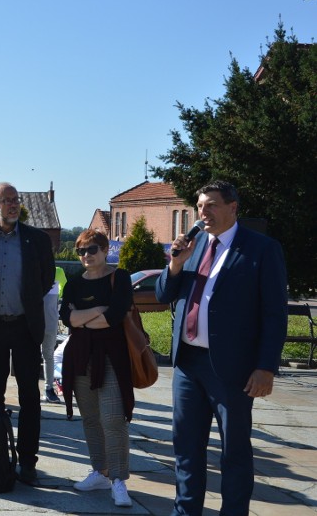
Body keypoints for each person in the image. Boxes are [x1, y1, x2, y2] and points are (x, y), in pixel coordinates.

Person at [155, 180, 287, 516]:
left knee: (234, 452)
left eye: (211, 205)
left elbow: (274, 314)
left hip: (232, 369)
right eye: (199, 206)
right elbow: (162, 295)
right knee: (186, 448)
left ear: (233, 208)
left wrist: (266, 367)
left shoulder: (260, 249)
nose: (203, 213)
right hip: (187, 364)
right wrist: (175, 265)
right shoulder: (193, 247)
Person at [0, 182, 55, 485]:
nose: (13, 205)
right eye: (6, 201)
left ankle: (28, 462)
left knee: (30, 395)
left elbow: (44, 281)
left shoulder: (37, 239)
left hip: (25, 326)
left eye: (16, 200)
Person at [59, 229, 135, 508]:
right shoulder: (74, 283)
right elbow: (67, 319)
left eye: (92, 249)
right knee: (90, 418)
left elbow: (114, 318)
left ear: (105, 250)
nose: (86, 255)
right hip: (80, 355)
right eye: (81, 251)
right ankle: (99, 471)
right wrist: (96, 311)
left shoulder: (120, 278)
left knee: (113, 418)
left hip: (112, 355)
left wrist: (83, 317)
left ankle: (118, 480)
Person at [42, 266, 67, 404]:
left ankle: (49, 389)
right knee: (38, 357)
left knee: (48, 355)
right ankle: (43, 389)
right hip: (34, 322)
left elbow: (65, 287)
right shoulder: (30, 267)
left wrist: (58, 296)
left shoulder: (57, 271)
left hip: (49, 322)